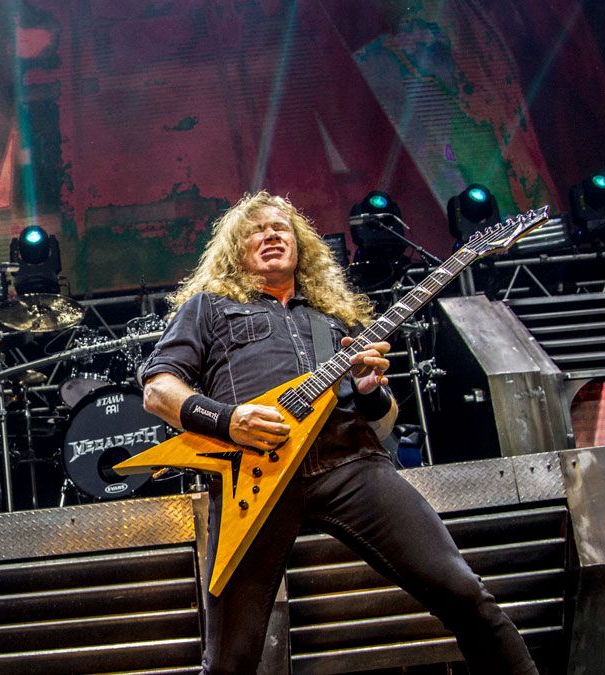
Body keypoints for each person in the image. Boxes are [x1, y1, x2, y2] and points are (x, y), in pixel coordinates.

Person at [140, 192, 537, 674]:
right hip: (254, 479)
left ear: (300, 245)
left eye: (281, 228)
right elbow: (159, 389)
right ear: (234, 250)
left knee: (465, 593)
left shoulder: (337, 318)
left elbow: (383, 420)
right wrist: (227, 420)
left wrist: (371, 390)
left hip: (349, 463)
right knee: (228, 663)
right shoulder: (207, 308)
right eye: (255, 230)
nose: (270, 235)